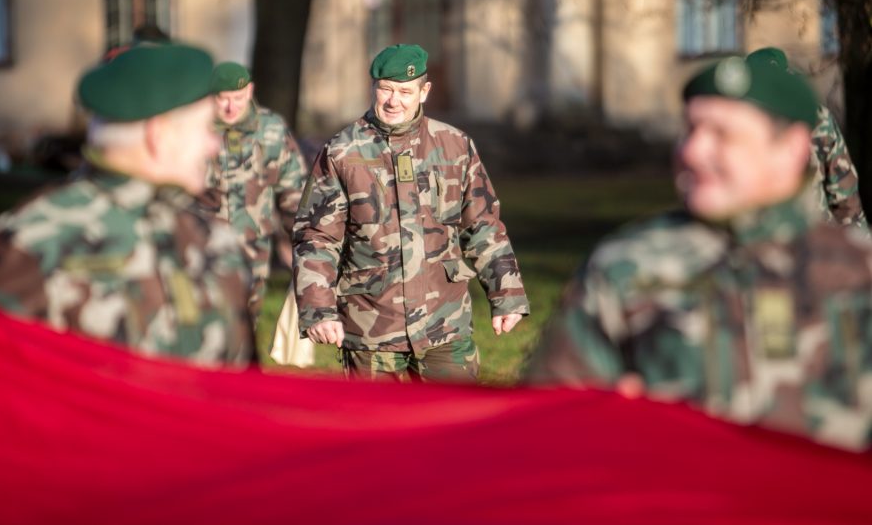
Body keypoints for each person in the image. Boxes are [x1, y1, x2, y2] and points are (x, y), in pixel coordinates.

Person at [525, 54, 872, 450]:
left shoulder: (861, 269)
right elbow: (545, 435)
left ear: (790, 148)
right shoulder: (625, 267)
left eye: (722, 134)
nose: (692, 151)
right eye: (690, 130)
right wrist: (606, 427)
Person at [0, 43, 255, 366]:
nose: (215, 146)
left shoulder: (214, 236)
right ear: (159, 135)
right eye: (208, 129)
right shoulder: (32, 241)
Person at [292, 43, 529, 381]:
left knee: (455, 427)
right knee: (380, 432)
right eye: (385, 89)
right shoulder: (342, 151)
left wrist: (507, 294)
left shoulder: (454, 145)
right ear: (373, 88)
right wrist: (318, 310)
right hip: (372, 329)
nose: (393, 100)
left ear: (424, 91)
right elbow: (316, 237)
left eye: (404, 91)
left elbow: (482, 225)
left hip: (444, 325)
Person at [199, 62, 308, 331]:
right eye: (222, 99)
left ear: (250, 91)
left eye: (238, 98)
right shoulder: (194, 131)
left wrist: (296, 242)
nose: (231, 107)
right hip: (202, 249)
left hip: (253, 250)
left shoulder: (271, 130)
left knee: (246, 328)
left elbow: (293, 189)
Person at [746, 47, 867, 232]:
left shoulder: (817, 117)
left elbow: (844, 189)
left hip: (810, 237)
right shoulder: (735, 125)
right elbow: (844, 192)